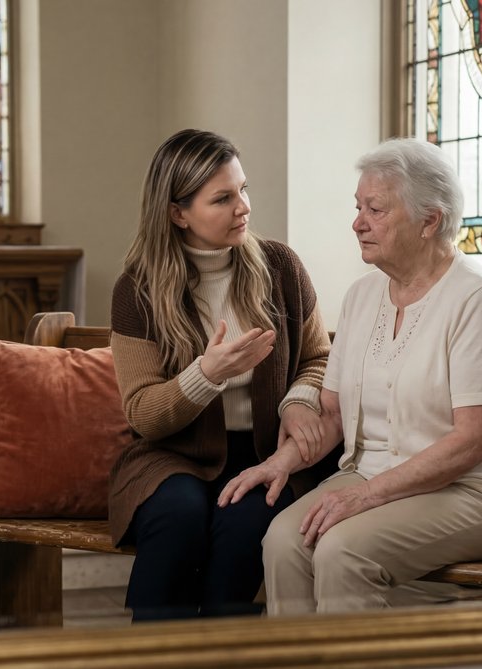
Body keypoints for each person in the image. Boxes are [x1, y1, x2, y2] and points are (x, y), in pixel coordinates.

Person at [218, 137, 482, 614]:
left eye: (376, 209)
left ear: (430, 220)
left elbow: (475, 442)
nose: (358, 223)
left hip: (481, 493)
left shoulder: (479, 301)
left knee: (343, 550)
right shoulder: (362, 296)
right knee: (283, 541)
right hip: (371, 476)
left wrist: (365, 498)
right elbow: (331, 414)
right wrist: (282, 462)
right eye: (358, 207)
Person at [108, 129, 336, 621]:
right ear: (177, 213)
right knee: (179, 512)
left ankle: (220, 647)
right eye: (223, 198)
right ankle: (154, 652)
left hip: (265, 454)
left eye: (244, 189)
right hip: (172, 455)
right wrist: (205, 374)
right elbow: (144, 415)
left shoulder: (281, 267)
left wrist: (297, 400)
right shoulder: (137, 290)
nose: (244, 207)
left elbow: (319, 357)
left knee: (248, 520)